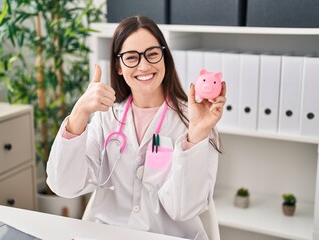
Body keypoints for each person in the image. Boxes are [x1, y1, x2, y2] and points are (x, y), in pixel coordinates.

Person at [46, 15, 226, 240]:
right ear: (119, 67)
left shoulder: (194, 119)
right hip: (110, 234)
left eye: (152, 54)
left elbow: (182, 208)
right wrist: (79, 112)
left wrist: (196, 136)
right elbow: (63, 186)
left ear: (164, 59)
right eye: (131, 57)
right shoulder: (106, 118)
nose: (144, 65)